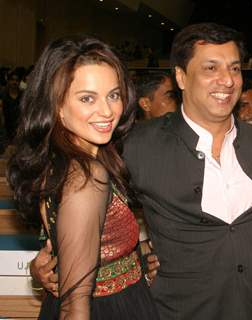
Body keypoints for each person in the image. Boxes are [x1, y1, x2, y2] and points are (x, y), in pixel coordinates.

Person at [31, 23, 252, 320]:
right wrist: (46, 262)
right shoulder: (134, 147)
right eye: (211, 68)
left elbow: (111, 224)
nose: (226, 80)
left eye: (235, 68)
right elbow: (71, 206)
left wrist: (140, 251)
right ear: (181, 77)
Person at [7, 36, 160, 319]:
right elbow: (75, 307)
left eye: (113, 95)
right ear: (56, 105)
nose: (107, 111)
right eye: (87, 98)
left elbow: (67, 244)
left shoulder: (78, 156)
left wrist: (135, 260)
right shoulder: (86, 176)